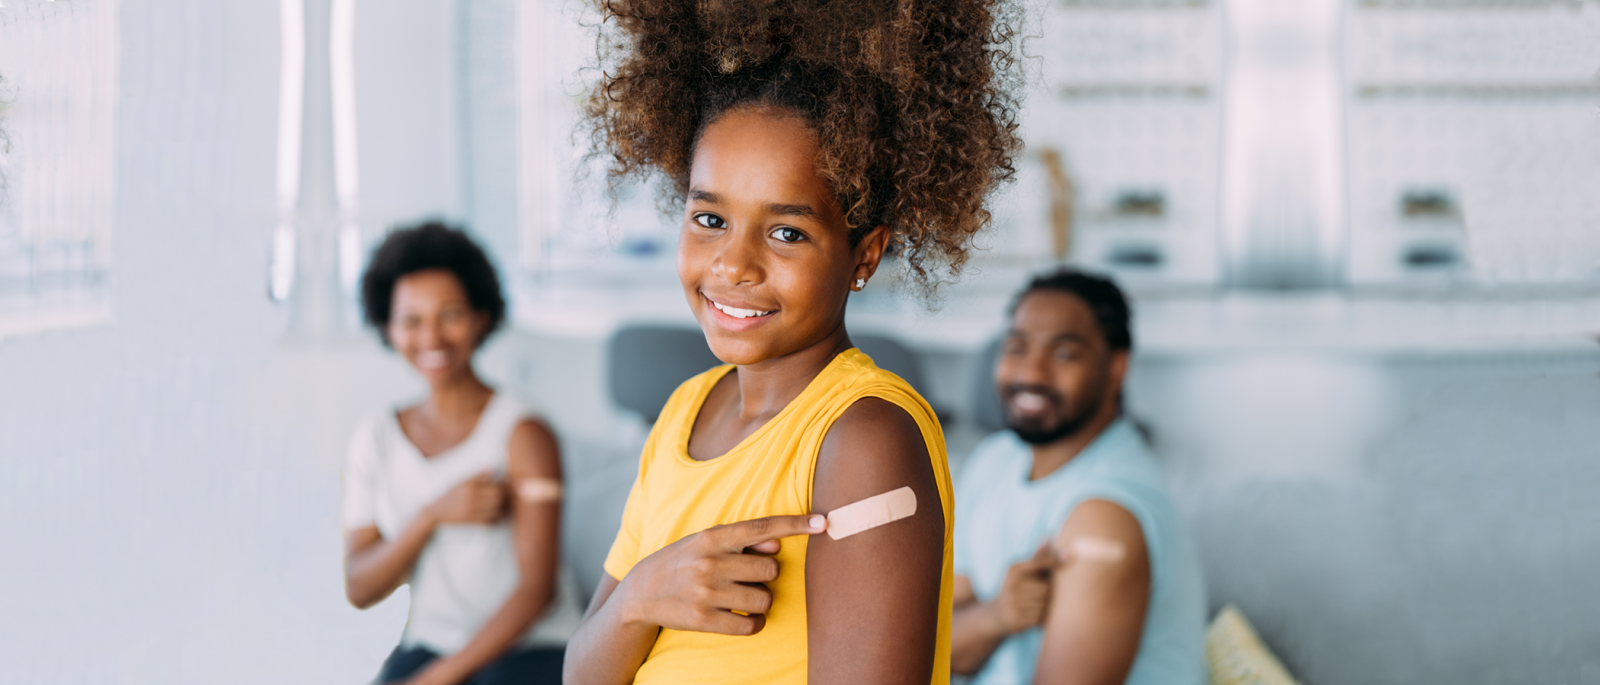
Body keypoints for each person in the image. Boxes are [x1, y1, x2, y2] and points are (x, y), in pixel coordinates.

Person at [561, 1, 1022, 683]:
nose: (733, 265)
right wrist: (640, 595)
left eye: (786, 232)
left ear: (864, 255)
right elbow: (581, 670)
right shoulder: (686, 410)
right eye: (710, 217)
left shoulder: (864, 440)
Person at [341, 222, 582, 685]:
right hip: (433, 644)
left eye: (449, 314)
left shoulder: (524, 433)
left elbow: (536, 592)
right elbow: (360, 585)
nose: (431, 336)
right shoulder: (375, 438)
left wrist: (440, 679)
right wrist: (431, 515)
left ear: (480, 318)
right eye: (411, 320)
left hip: (534, 646)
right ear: (388, 328)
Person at [949, 270, 1208, 685]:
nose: (1031, 373)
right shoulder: (992, 461)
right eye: (1016, 348)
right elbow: (943, 647)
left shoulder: (1105, 515)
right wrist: (997, 615)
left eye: (1064, 354)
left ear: (1116, 369)